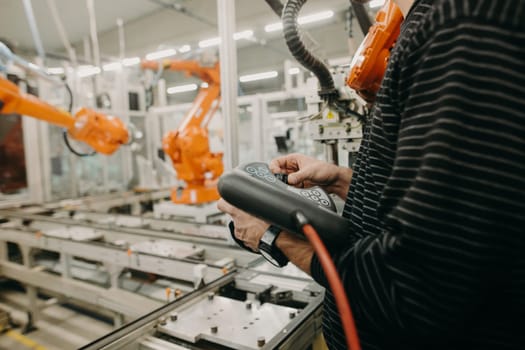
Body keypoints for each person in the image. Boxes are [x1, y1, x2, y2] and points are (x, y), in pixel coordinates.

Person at [218, 0, 525, 348]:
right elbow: (445, 211)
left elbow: (416, 292)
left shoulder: (460, 25)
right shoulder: (438, 23)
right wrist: (344, 181)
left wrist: (274, 236)